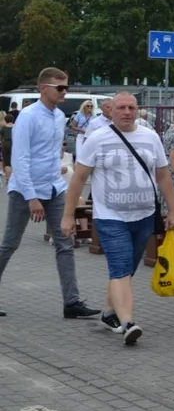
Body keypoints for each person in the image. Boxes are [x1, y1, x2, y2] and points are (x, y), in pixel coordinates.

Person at [63, 92, 174, 344]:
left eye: (131, 107)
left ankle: (108, 313)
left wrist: (173, 211)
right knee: (119, 268)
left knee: (126, 270)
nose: (126, 112)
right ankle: (127, 322)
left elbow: (163, 176)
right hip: (110, 215)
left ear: (137, 110)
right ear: (110, 111)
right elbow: (79, 179)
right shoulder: (97, 138)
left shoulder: (151, 137)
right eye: (121, 108)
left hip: (144, 215)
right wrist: (68, 216)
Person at [0, 68, 99, 320]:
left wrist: (61, 185)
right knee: (10, 244)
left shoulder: (59, 117)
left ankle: (72, 302)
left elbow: (52, 154)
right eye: (60, 88)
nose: (65, 92)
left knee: (65, 243)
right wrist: (32, 198)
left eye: (66, 87)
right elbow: (20, 158)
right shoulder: (28, 116)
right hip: (25, 189)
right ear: (43, 88)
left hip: (54, 187)